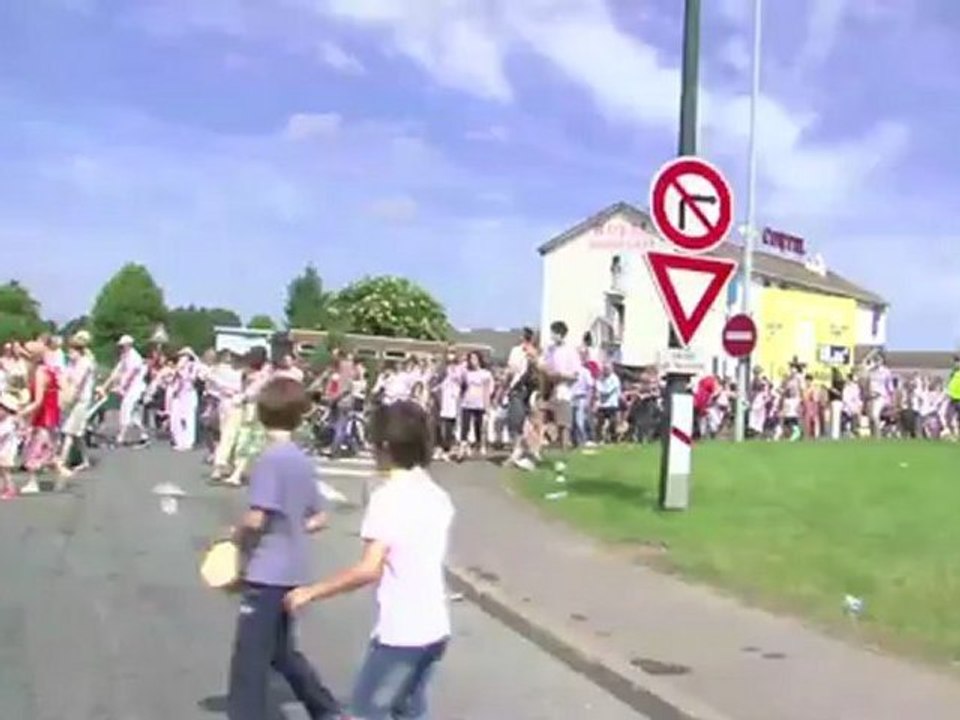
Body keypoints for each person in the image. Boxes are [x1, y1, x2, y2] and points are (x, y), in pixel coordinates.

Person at [286, 400, 454, 720]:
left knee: (365, 710)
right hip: (435, 627)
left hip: (401, 631)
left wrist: (311, 592)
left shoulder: (388, 499)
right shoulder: (437, 495)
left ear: (386, 447)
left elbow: (368, 569)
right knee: (409, 710)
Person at [225, 376, 341, 720]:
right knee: (280, 652)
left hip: (266, 571)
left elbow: (257, 518)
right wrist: (294, 526)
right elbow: (319, 517)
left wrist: (234, 536)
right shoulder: (302, 461)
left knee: (249, 659)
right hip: (295, 570)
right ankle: (325, 709)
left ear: (261, 414)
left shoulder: (269, 460)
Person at [19, 340, 65, 493]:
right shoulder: (46, 370)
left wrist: (21, 413)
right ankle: (61, 473)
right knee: (46, 448)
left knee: (35, 448)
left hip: (44, 416)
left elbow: (38, 401)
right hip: (49, 415)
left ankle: (33, 483)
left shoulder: (40, 373)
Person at [58, 330, 96, 474]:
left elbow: (77, 384)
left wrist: (66, 401)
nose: (69, 354)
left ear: (77, 351)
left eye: (71, 351)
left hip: (80, 401)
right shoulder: (72, 364)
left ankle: (62, 461)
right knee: (77, 433)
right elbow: (64, 378)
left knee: (69, 431)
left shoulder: (85, 364)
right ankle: (85, 460)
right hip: (74, 400)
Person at [100, 335, 149, 446]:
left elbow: (132, 374)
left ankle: (121, 437)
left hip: (135, 388)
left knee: (126, 410)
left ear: (129, 345)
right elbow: (116, 372)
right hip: (129, 389)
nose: (121, 348)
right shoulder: (124, 356)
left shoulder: (135, 357)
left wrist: (123, 387)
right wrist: (105, 386)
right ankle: (144, 435)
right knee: (134, 414)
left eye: (123, 345)